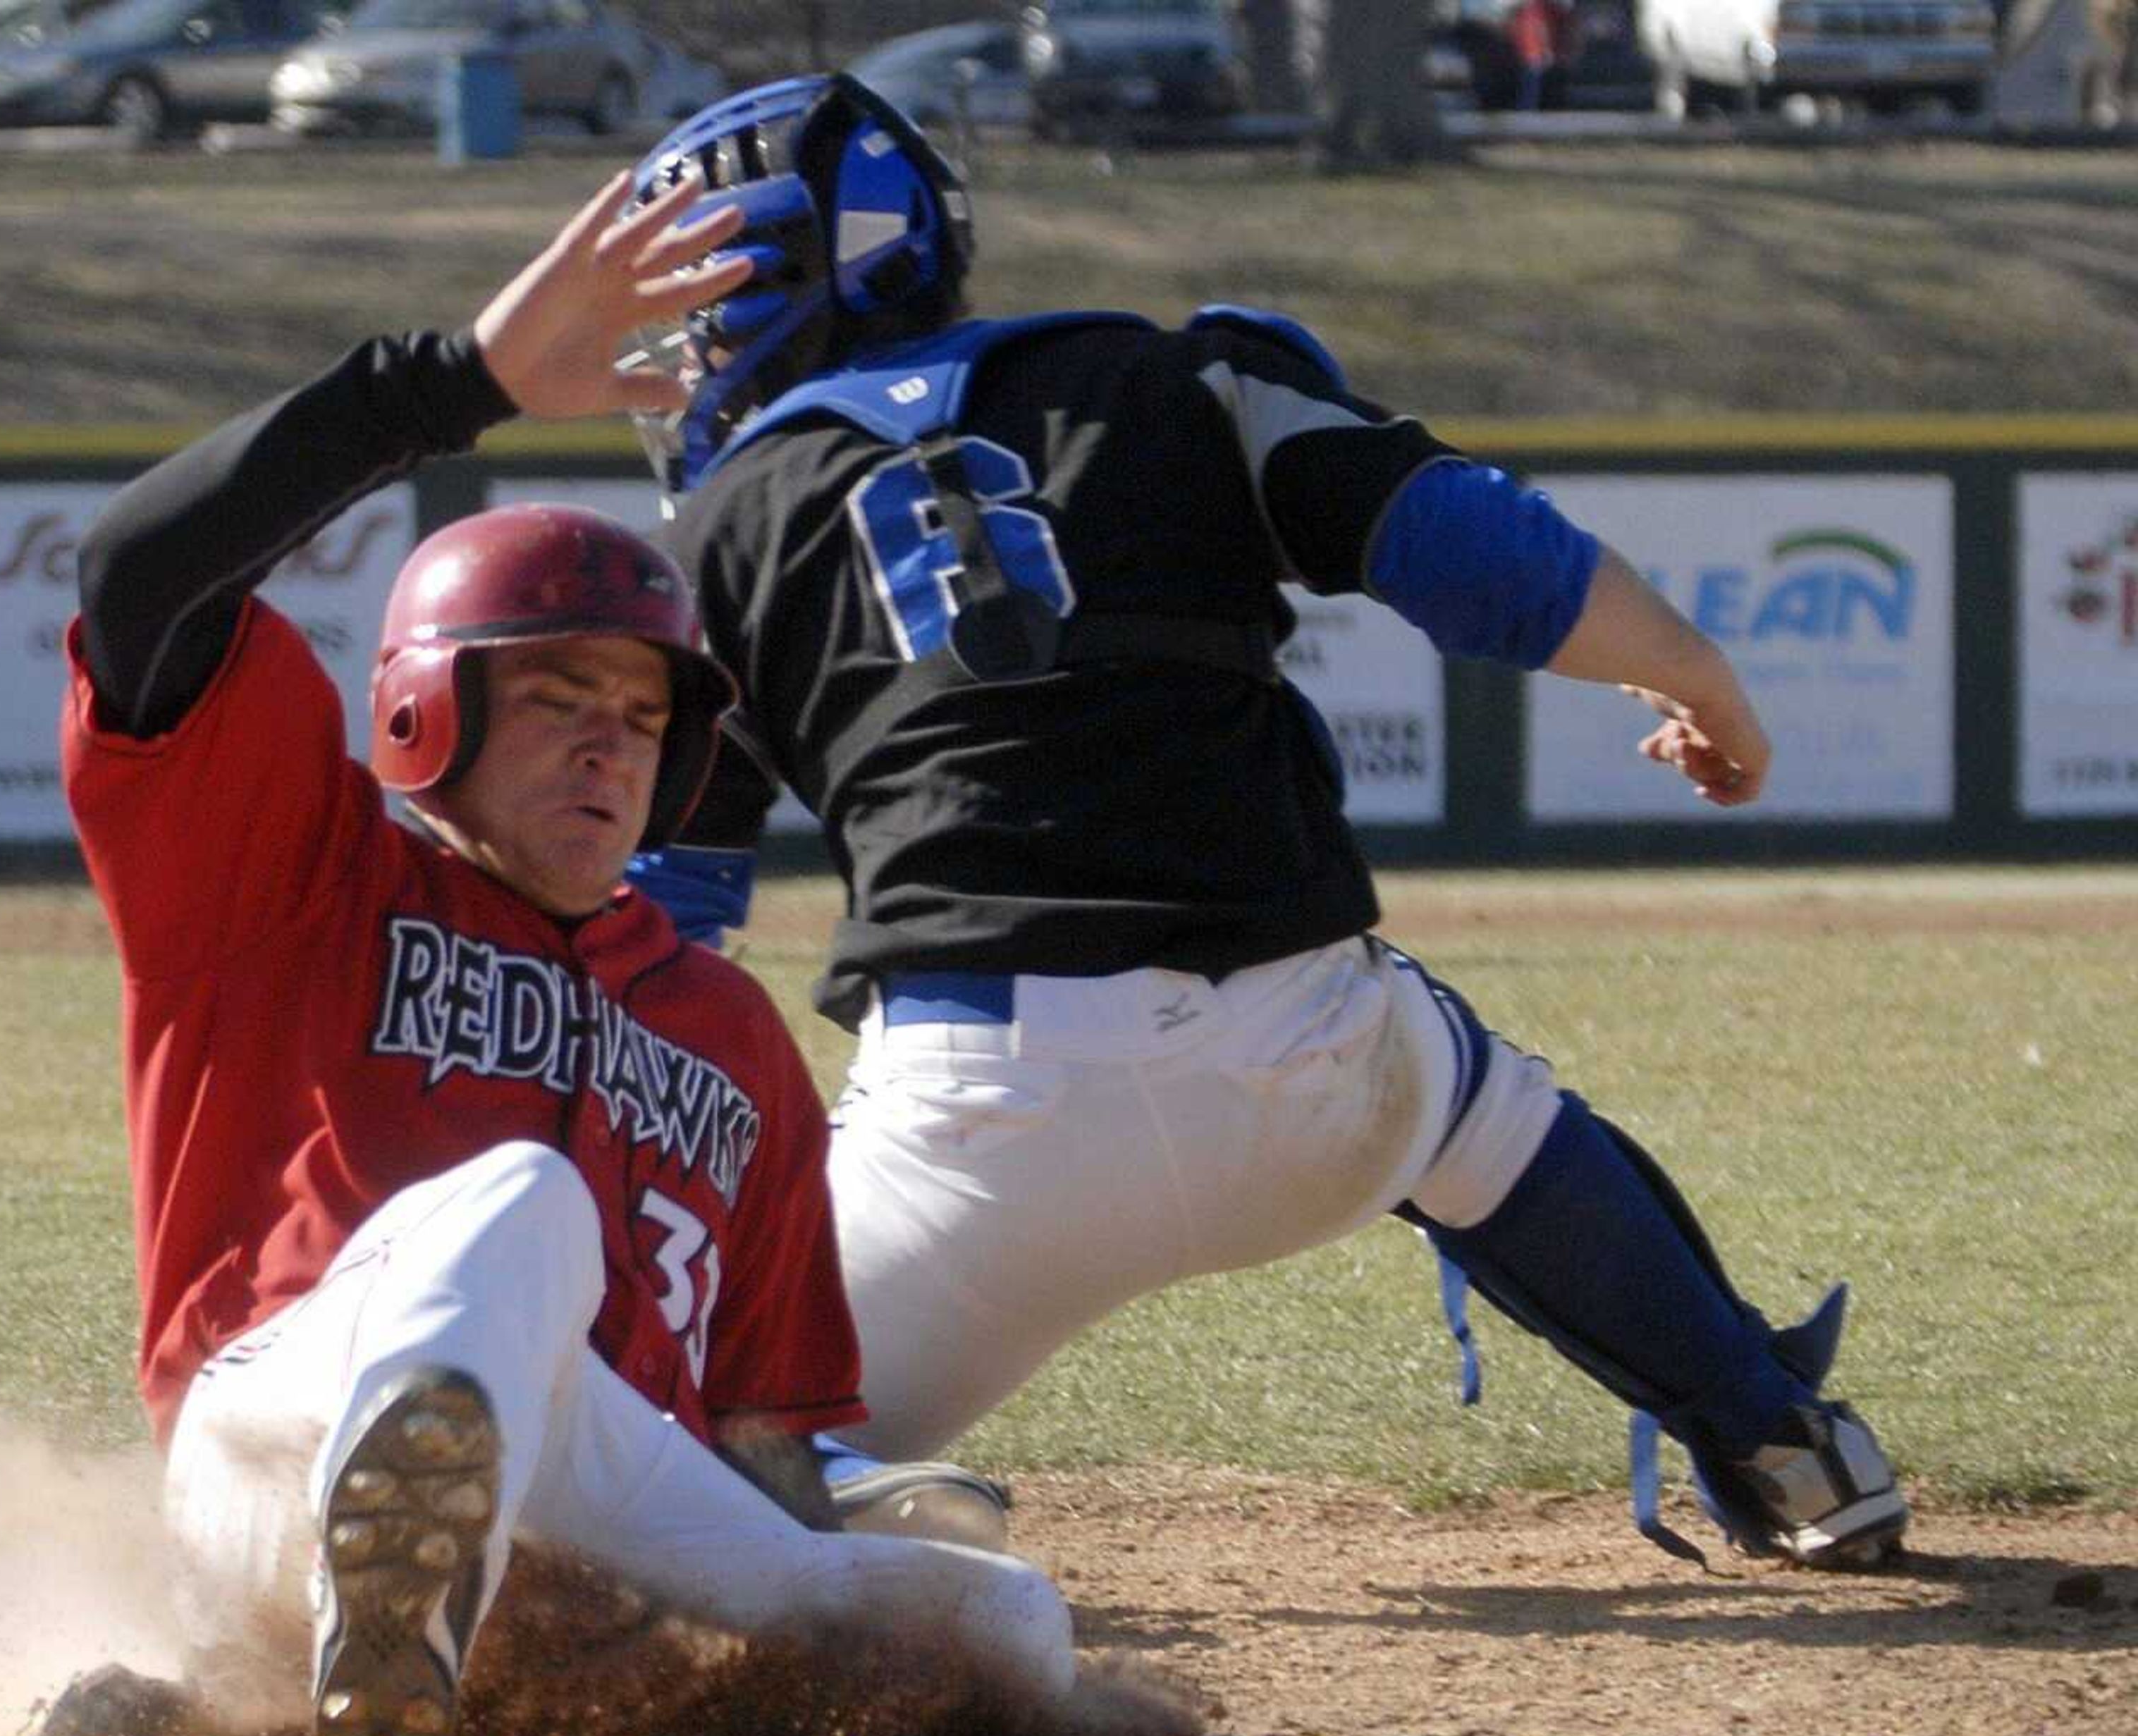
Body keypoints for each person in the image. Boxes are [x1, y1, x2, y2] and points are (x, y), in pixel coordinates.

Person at [616, 74, 1909, 1571]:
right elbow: (1490, 559)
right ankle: (1786, 1440)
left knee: (706, 1466)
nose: (693, 352)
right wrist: (1706, 687)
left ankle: (846, 1514)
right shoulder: (1182, 378)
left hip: (982, 1116)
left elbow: (657, 922)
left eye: (706, 305)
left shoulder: (711, 539)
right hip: (1312, 1063)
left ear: (791, 283)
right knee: (1476, 1103)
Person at [48, 169, 1076, 1736]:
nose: (612, 740)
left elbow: (760, 1449)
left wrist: (834, 1532)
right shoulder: (292, 876)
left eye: (646, 716)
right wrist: (451, 386)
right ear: (423, 714)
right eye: (558, 696)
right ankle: (337, 1640)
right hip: (282, 1432)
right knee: (523, 1205)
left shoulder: (731, 1035)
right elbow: (134, 577)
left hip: (592, 1499)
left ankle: (389, 1719)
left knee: (1012, 1633)